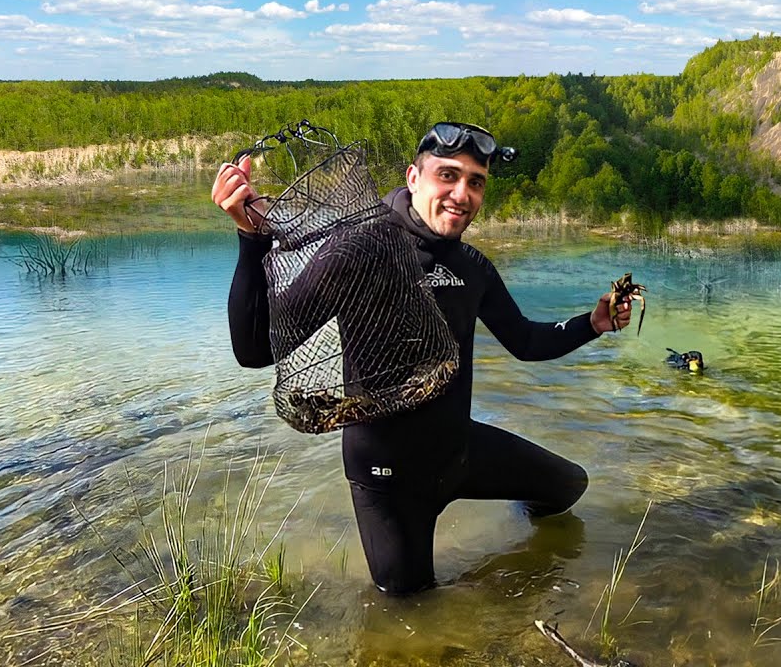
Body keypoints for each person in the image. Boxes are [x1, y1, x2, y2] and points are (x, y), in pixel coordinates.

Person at [211, 121, 635, 595]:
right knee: (409, 609)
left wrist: (592, 324)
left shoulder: (471, 267)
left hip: (458, 452)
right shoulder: (359, 250)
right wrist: (251, 242)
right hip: (387, 477)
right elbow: (253, 350)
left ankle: (511, 551)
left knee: (568, 488)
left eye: (476, 182)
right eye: (447, 176)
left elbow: (526, 341)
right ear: (414, 178)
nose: (462, 193)